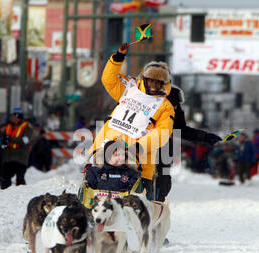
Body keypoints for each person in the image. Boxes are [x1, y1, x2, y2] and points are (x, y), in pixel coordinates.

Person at [89, 42, 176, 199]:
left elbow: (163, 133)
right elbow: (108, 80)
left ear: (164, 84)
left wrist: (138, 148)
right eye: (151, 80)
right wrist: (118, 58)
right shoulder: (130, 89)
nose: (154, 85)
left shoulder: (165, 106)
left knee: (138, 203)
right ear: (145, 79)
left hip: (139, 159)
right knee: (97, 192)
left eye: (158, 82)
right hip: (107, 147)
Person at [155, 86, 222, 201]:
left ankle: (157, 205)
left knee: (163, 184)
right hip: (139, 146)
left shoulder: (174, 99)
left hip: (164, 149)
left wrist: (205, 136)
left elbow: (180, 129)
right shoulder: (140, 94)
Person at [0, 107, 33, 189]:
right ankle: (4, 195)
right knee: (5, 179)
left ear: (19, 117)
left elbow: (24, 141)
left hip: (20, 158)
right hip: (8, 158)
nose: (13, 119)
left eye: (14, 117)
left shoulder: (26, 127)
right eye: (12, 117)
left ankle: (21, 194)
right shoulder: (7, 127)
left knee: (20, 180)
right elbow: (2, 138)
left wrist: (9, 138)